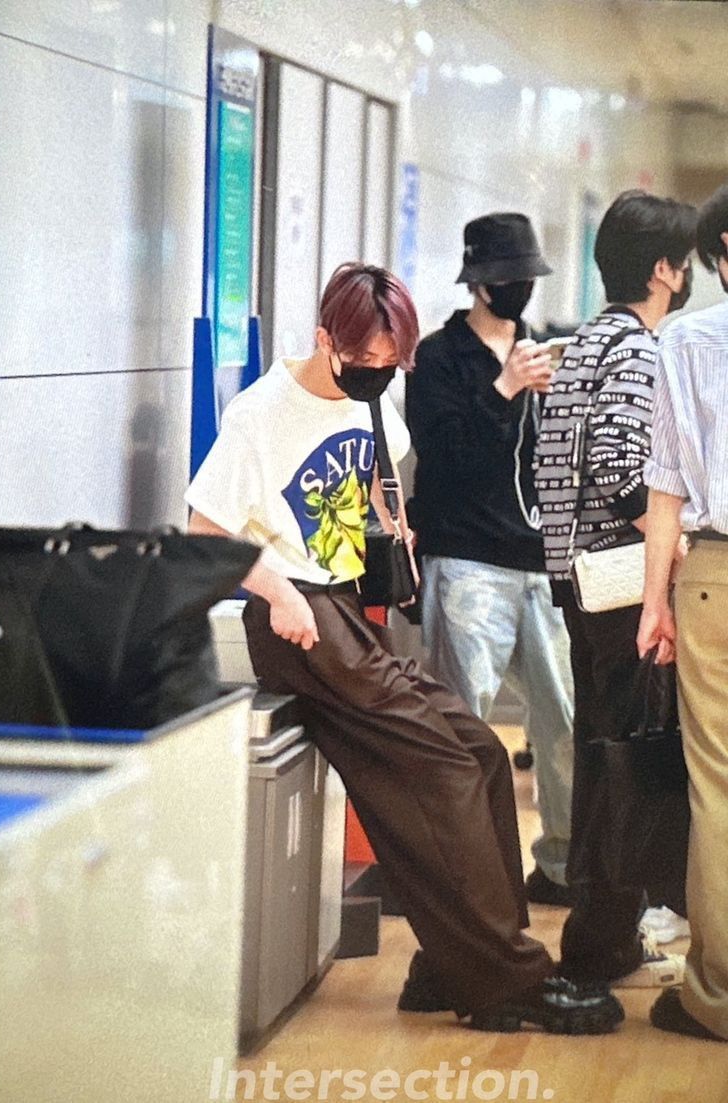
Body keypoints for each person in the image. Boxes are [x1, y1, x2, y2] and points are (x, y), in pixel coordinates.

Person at [186, 262, 622, 1034]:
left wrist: (391, 528)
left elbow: (369, 484)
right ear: (327, 339)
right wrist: (281, 592)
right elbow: (203, 532)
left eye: (394, 365)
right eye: (369, 363)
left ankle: (451, 961)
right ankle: (508, 980)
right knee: (447, 768)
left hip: (351, 613)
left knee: (483, 752)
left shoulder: (374, 401)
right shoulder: (262, 413)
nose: (381, 377)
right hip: (301, 623)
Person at [535, 190, 696, 988]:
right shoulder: (638, 350)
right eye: (686, 260)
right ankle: (602, 942)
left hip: (574, 582)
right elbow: (624, 472)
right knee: (628, 769)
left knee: (604, 760)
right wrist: (677, 545)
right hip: (620, 586)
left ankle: (603, 937)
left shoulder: (586, 341)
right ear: (663, 270)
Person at [405, 213, 574, 907]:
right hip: (467, 559)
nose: (518, 292)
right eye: (507, 280)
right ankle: (461, 877)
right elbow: (442, 455)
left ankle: (561, 865)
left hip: (541, 559)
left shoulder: (539, 350)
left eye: (526, 280)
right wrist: (502, 390)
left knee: (563, 718)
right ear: (478, 283)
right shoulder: (438, 357)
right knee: (461, 722)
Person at [637, 183, 728, 1043]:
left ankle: (717, 994)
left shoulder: (688, 341)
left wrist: (654, 602)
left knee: (720, 786)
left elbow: (666, 481)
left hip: (717, 579)